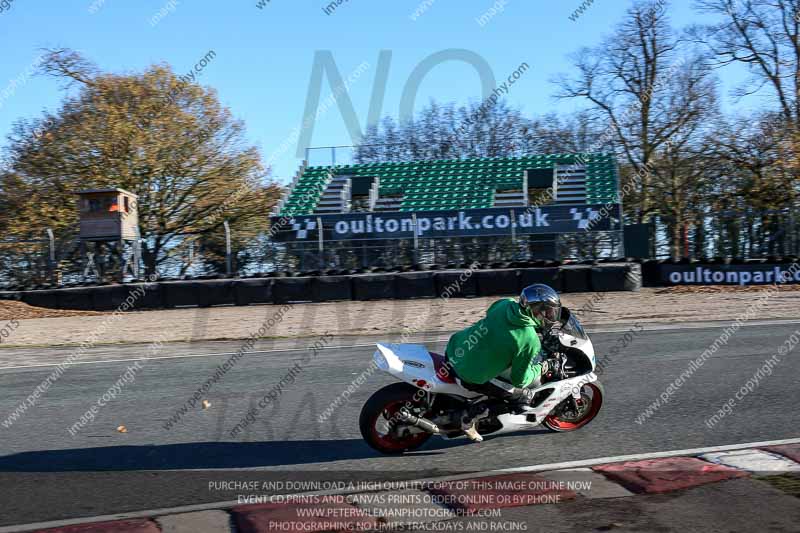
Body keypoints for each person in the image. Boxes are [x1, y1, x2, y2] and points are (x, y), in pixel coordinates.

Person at [443, 283, 562, 442]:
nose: (550, 315)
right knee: (522, 397)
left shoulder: (504, 303)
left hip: (454, 349)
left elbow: (493, 314)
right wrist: (543, 367)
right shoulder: (529, 340)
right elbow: (520, 380)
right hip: (469, 374)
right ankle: (468, 418)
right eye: (547, 310)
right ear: (535, 309)